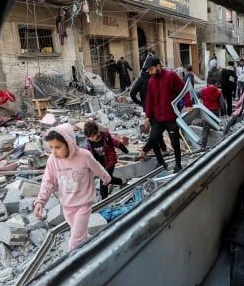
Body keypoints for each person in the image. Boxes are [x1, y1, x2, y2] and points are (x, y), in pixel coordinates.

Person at [33, 123, 111, 251]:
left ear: (69, 143)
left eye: (58, 147)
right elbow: (48, 181)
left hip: (83, 204)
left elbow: (96, 167)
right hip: (67, 205)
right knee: (79, 232)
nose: (54, 151)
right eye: (51, 147)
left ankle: (74, 260)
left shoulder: (84, 155)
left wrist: (105, 177)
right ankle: (89, 245)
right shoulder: (53, 160)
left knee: (76, 239)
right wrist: (40, 202)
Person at [144, 56, 184, 173]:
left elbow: (184, 90)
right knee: (153, 139)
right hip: (157, 118)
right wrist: (147, 116)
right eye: (148, 71)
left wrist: (188, 104)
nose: (150, 73)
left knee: (174, 142)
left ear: (158, 66)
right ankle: (161, 162)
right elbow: (150, 100)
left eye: (151, 70)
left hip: (171, 117)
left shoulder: (171, 76)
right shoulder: (151, 81)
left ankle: (178, 165)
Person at [84, 121, 128, 199]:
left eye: (92, 136)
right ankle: (122, 181)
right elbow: (89, 154)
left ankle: (104, 200)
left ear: (97, 132)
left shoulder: (105, 137)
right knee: (108, 178)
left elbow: (115, 142)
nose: (90, 138)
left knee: (104, 181)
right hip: (100, 163)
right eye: (89, 137)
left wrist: (124, 149)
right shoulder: (89, 142)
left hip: (110, 160)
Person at [129, 69, 168, 156]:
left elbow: (132, 93)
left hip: (148, 108)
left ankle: (158, 149)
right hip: (158, 107)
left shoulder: (141, 80)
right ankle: (162, 149)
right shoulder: (155, 78)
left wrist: (139, 102)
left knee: (155, 128)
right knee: (157, 128)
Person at [198, 80, 226, 149]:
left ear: (207, 84)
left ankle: (203, 146)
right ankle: (216, 146)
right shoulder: (218, 92)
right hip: (215, 112)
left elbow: (195, 96)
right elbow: (222, 104)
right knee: (215, 128)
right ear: (215, 84)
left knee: (205, 129)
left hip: (206, 112)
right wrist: (223, 113)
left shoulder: (203, 90)